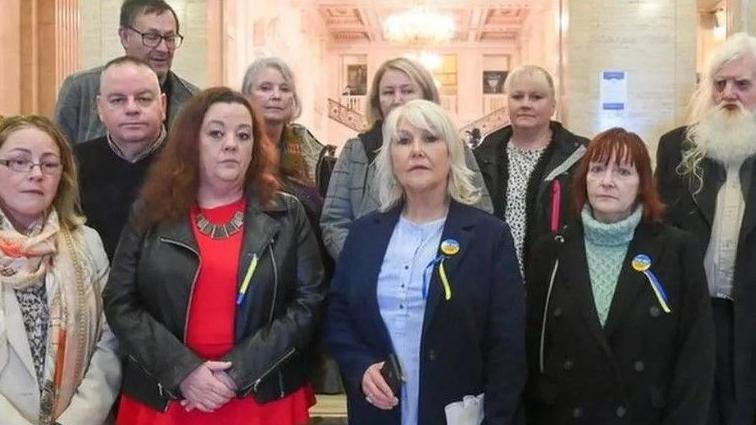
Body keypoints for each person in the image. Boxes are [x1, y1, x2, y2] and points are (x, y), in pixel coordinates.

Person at [102, 88, 325, 425]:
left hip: (260, 396)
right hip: (169, 396)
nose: (231, 144)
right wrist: (184, 372)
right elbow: (120, 301)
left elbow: (309, 302)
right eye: (216, 133)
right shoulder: (150, 213)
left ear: (255, 146)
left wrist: (237, 373)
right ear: (192, 142)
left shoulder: (287, 214)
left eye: (244, 134)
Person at [325, 99, 525, 425]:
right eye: (404, 141)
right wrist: (360, 366)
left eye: (430, 139)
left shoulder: (489, 237)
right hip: (378, 413)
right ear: (391, 157)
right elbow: (338, 316)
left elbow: (508, 347)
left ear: (452, 152)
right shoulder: (364, 234)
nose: (417, 150)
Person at [526, 128, 715, 424]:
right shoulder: (551, 251)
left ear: (643, 183)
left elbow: (696, 355)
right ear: (583, 178)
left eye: (624, 171)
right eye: (597, 169)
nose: (607, 181)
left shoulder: (677, 251)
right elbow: (531, 350)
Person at [656, 32, 756, 425]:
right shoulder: (675, 148)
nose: (729, 94)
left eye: (743, 84)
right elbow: (657, 229)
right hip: (692, 316)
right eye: (720, 84)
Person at [0, 116, 120, 424]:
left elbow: (110, 341)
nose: (36, 173)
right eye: (18, 162)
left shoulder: (87, 243)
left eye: (49, 164)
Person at [321, 57, 492, 260]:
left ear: (426, 95)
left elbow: (480, 211)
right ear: (377, 100)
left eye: (407, 90)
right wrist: (362, 266)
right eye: (388, 92)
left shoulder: (454, 144)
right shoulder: (355, 149)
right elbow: (334, 221)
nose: (397, 99)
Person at [241, 56, 339, 393]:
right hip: (253, 273)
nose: (276, 95)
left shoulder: (309, 148)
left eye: (284, 89)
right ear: (246, 95)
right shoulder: (236, 142)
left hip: (305, 270)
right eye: (265, 88)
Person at [474, 64, 588, 275]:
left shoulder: (581, 156)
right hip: (492, 276)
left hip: (556, 277)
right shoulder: (482, 156)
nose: (526, 104)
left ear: (553, 105)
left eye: (536, 97)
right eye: (517, 97)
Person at [54, 0, 198, 145]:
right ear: (125, 37)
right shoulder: (81, 89)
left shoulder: (193, 101)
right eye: (151, 37)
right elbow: (60, 156)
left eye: (169, 38)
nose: (163, 48)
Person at [75, 56, 167, 259]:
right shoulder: (74, 163)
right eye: (118, 100)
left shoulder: (191, 162)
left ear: (163, 105)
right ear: (100, 108)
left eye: (143, 99)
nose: (132, 108)